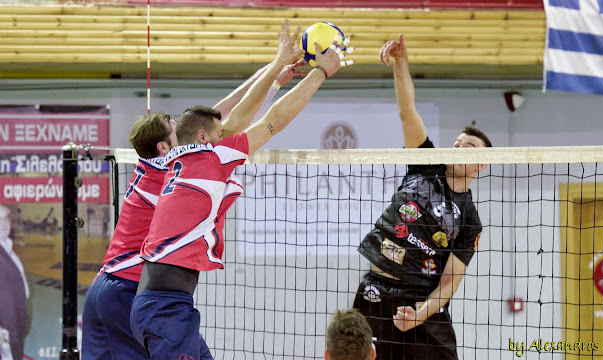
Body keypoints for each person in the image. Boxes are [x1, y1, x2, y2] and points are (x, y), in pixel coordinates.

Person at [81, 24, 308, 360]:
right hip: (129, 290)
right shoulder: (177, 166)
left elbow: (220, 113)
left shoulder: (154, 163)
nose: (183, 133)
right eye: (175, 131)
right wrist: (275, 69)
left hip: (107, 289)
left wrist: (273, 73)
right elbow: (228, 126)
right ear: (163, 146)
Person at [129, 21, 352, 359]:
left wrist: (277, 72)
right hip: (165, 310)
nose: (230, 134)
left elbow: (233, 123)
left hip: (163, 305)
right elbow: (274, 121)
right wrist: (320, 72)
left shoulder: (181, 159)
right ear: (204, 138)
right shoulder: (210, 157)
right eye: (220, 133)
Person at [352, 34, 492, 360]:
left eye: (469, 147)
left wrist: (422, 312)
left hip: (423, 301)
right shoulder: (425, 163)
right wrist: (401, 62)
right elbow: (407, 112)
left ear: (482, 163)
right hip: (378, 289)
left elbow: (449, 283)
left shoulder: (470, 219)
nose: (459, 148)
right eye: (457, 143)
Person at [0, 204, 30, 360]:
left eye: (6, 218)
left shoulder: (7, 247)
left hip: (15, 322)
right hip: (6, 329)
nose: (4, 223)